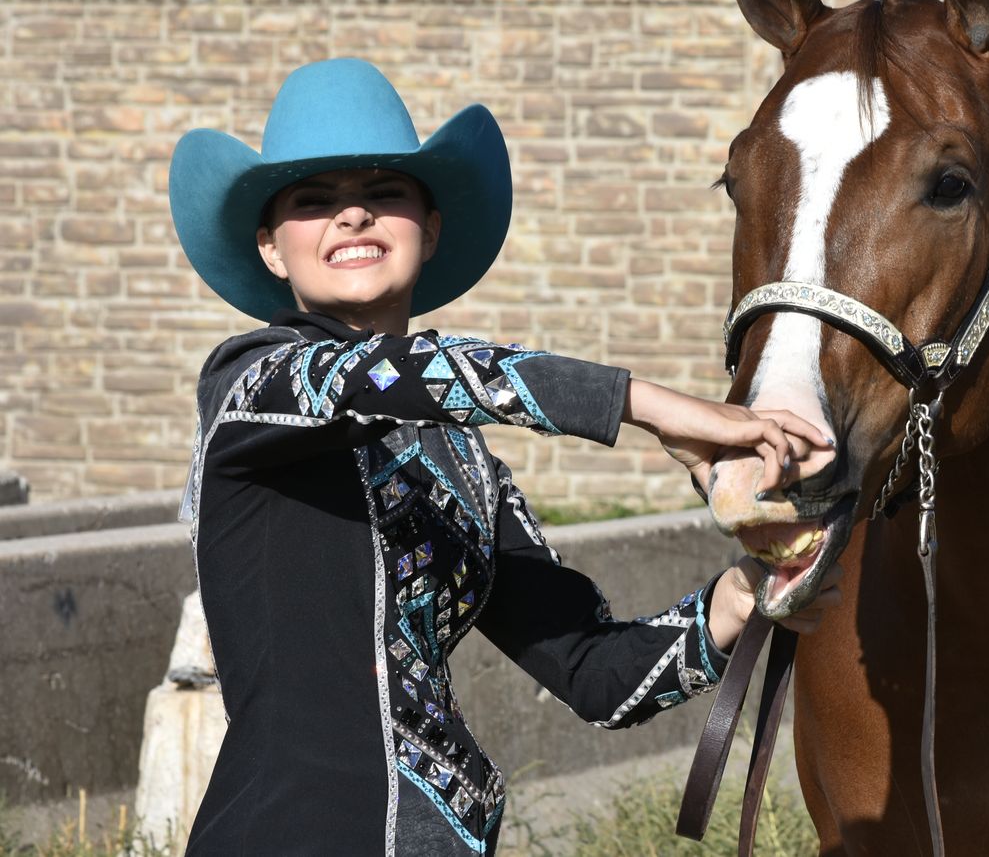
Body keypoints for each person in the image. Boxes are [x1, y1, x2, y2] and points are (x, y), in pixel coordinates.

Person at [167, 58, 838, 855]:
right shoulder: (250, 383)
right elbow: (408, 373)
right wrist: (652, 406)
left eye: (384, 192)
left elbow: (598, 676)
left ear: (432, 225)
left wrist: (743, 592)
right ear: (273, 249)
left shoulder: (467, 467)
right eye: (313, 202)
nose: (351, 216)